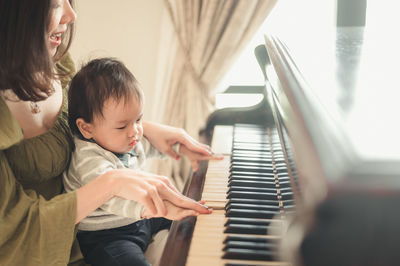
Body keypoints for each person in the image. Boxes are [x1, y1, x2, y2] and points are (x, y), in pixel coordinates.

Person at [0, 1, 218, 265]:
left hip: (121, 221)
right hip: (88, 239)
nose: (72, 15)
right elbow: (17, 230)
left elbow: (114, 134)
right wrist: (140, 202)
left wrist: (149, 131)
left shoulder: (56, 59)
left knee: (197, 223)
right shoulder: (89, 163)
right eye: (56, 4)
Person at [63, 57, 219, 266]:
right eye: (122, 126)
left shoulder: (128, 140)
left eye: (138, 120)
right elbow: (111, 198)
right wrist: (154, 207)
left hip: (141, 218)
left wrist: (184, 150)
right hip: (108, 236)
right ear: (86, 128)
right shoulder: (88, 159)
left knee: (193, 217)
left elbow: (154, 146)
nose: (134, 131)